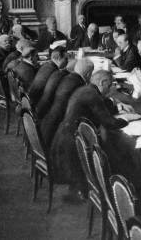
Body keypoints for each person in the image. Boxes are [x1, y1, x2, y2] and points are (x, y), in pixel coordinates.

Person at [50, 70, 128, 201]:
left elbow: (99, 108)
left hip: (65, 135)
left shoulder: (86, 90)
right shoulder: (92, 95)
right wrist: (127, 120)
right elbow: (109, 123)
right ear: (102, 83)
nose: (110, 90)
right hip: (72, 143)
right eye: (109, 86)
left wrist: (119, 108)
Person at [39, 58, 93, 147]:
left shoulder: (68, 78)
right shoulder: (79, 84)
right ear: (88, 74)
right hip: (56, 135)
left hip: (47, 124)